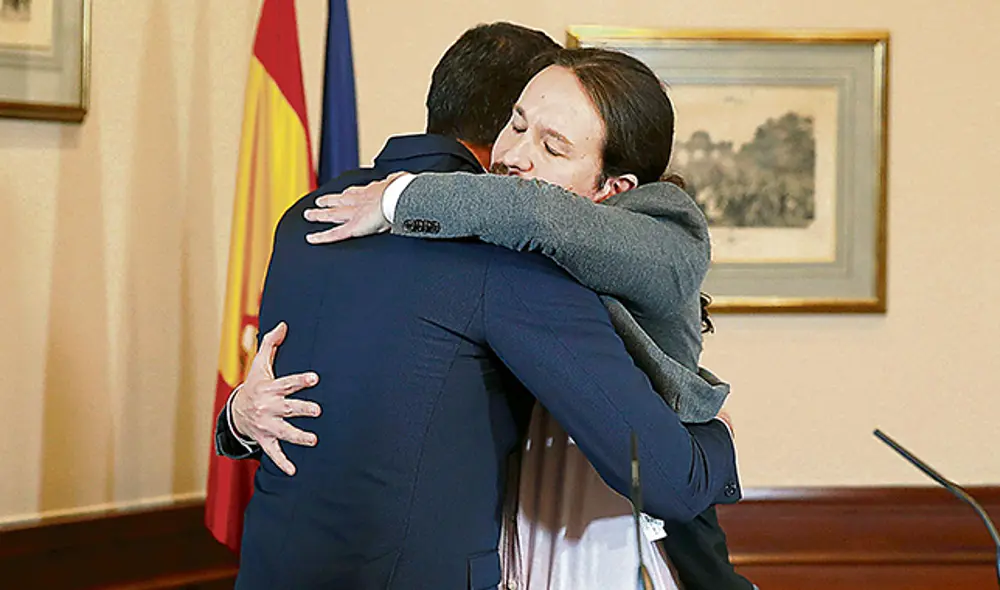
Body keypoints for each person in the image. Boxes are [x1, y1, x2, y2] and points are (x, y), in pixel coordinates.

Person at [217, 24, 752, 590]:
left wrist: (236, 420)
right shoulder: (501, 258)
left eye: (553, 143)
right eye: (517, 124)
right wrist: (720, 437)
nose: (516, 156)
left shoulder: (308, 214)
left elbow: (536, 216)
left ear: (613, 188)